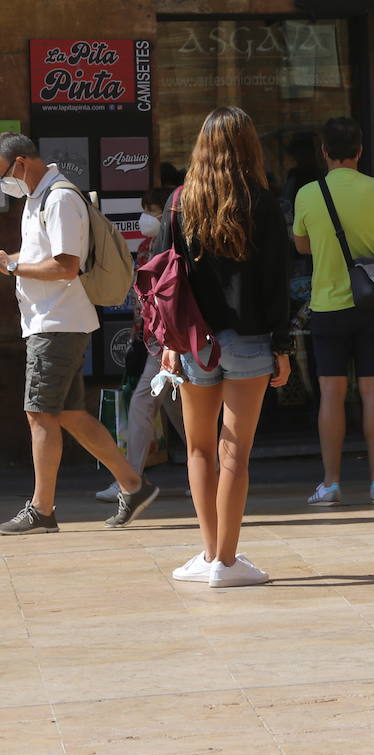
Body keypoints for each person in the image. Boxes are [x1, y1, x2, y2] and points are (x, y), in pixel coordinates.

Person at [152, 107, 293, 587]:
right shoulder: (263, 203)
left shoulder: (180, 202)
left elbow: (163, 277)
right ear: (249, 146)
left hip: (194, 341)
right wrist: (282, 345)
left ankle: (210, 553)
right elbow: (277, 283)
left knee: (199, 449)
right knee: (236, 452)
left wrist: (169, 341)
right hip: (250, 341)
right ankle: (226, 563)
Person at [0, 133, 159, 534]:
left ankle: (42, 509)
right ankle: (133, 484)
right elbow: (41, 258)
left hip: (57, 324)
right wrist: (10, 261)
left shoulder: (59, 200)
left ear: (20, 164)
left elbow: (66, 266)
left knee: (39, 413)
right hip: (51, 322)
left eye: (3, 173)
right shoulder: (37, 198)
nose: (3, 183)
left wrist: (13, 268)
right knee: (68, 413)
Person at [292, 117, 374, 506]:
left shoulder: (308, 193)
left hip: (328, 305)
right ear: (359, 151)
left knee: (331, 394)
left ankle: (331, 483)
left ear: (324, 152)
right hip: (373, 302)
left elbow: (301, 245)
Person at [95, 187, 188, 502]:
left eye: (153, 210)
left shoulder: (177, 244)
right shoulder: (149, 245)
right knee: (177, 408)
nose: (146, 217)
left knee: (142, 404)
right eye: (145, 209)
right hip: (152, 338)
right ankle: (210, 469)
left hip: (167, 339)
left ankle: (130, 481)